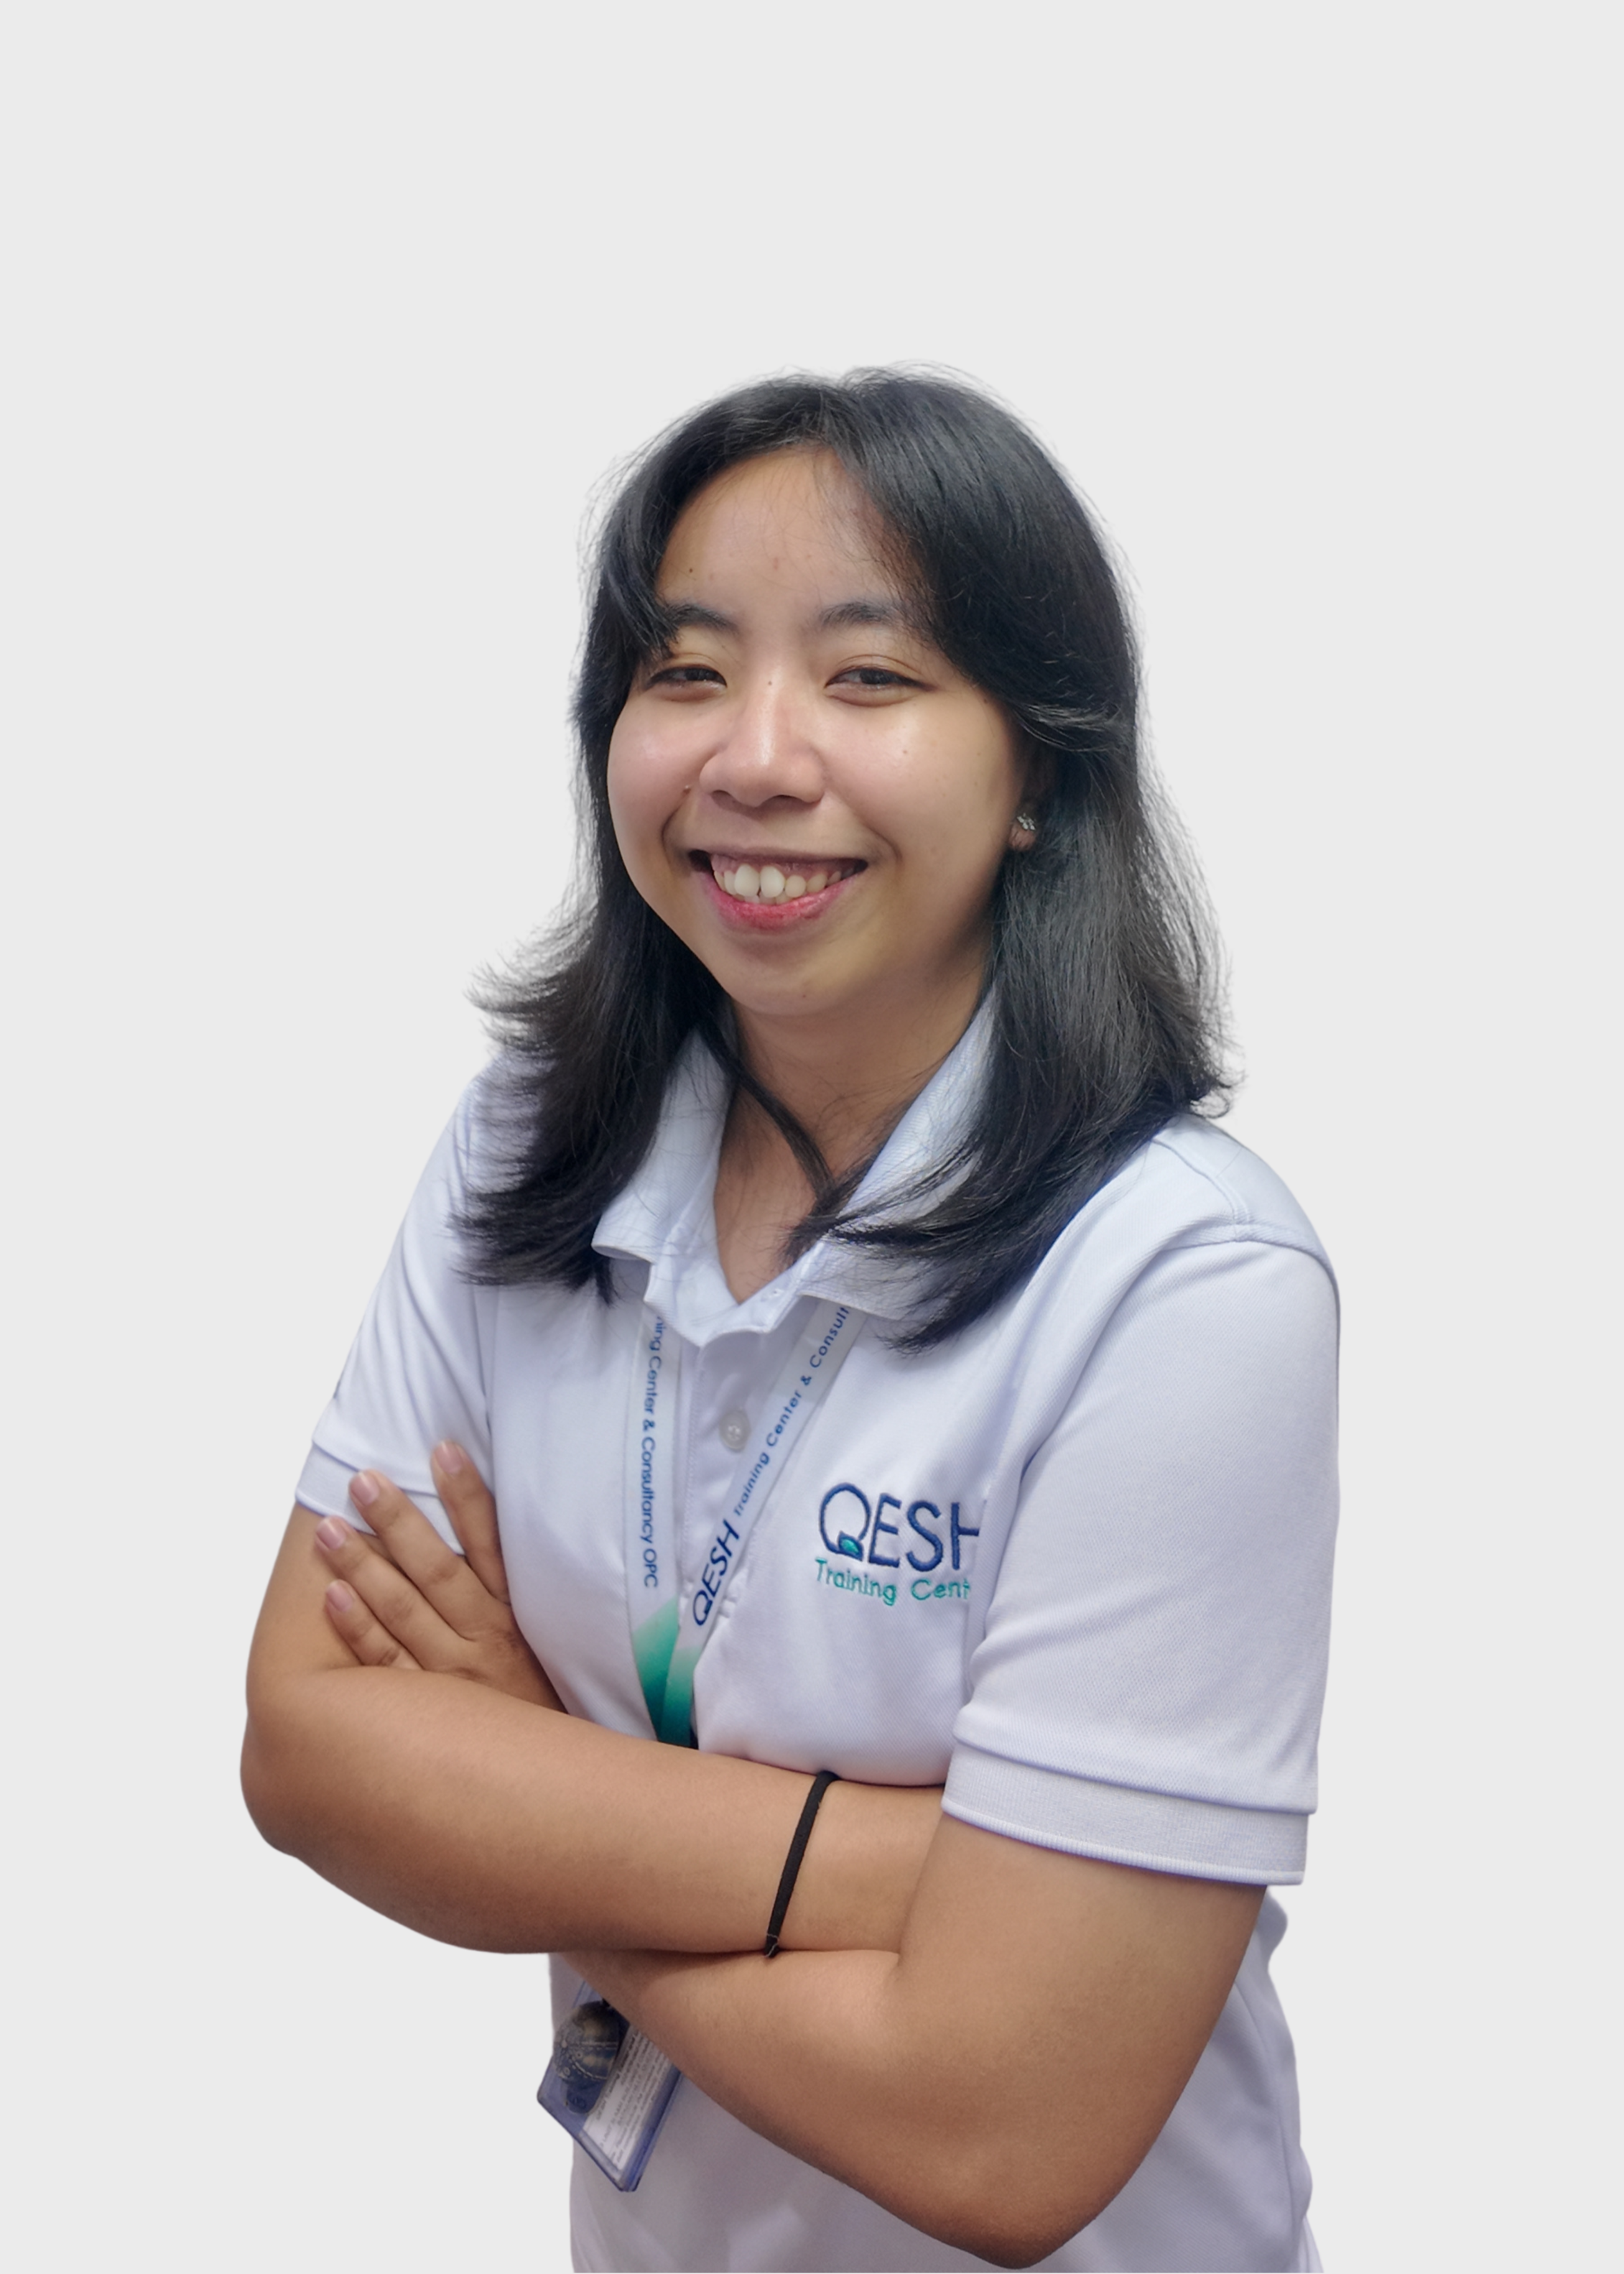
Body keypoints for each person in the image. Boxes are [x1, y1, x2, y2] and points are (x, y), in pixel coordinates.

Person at [243, 370, 1337, 2273]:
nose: (752, 757)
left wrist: (531, 1782)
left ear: (1042, 782)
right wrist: (915, 1875)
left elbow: (1004, 2131)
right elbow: (307, 1744)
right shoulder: (529, 1146)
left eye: (869, 677)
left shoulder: (1179, 1286)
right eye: (683, 672)